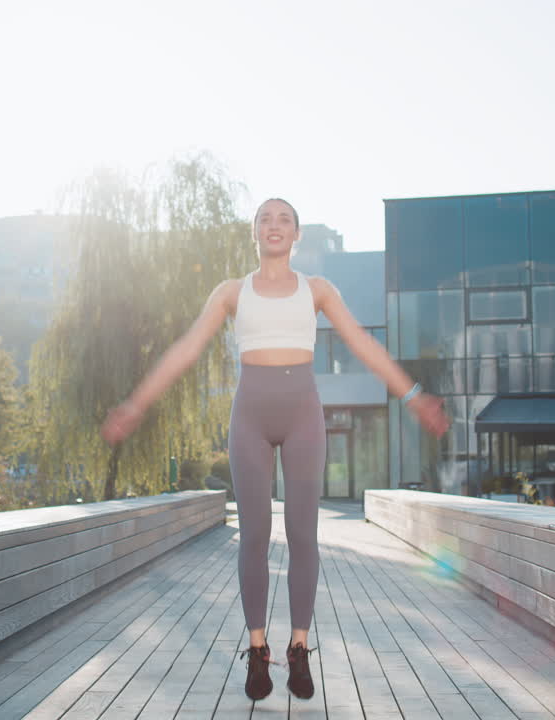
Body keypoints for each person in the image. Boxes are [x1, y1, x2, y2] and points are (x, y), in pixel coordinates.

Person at [101, 198, 450, 701]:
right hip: (250, 418)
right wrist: (137, 403)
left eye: (283, 218)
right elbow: (186, 349)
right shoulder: (231, 293)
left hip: (304, 415)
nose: (274, 224)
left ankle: (300, 649)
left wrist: (413, 397)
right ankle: (258, 651)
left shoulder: (317, 291)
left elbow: (363, 345)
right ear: (255, 233)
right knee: (255, 537)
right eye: (265, 218)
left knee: (302, 534)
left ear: (296, 234)